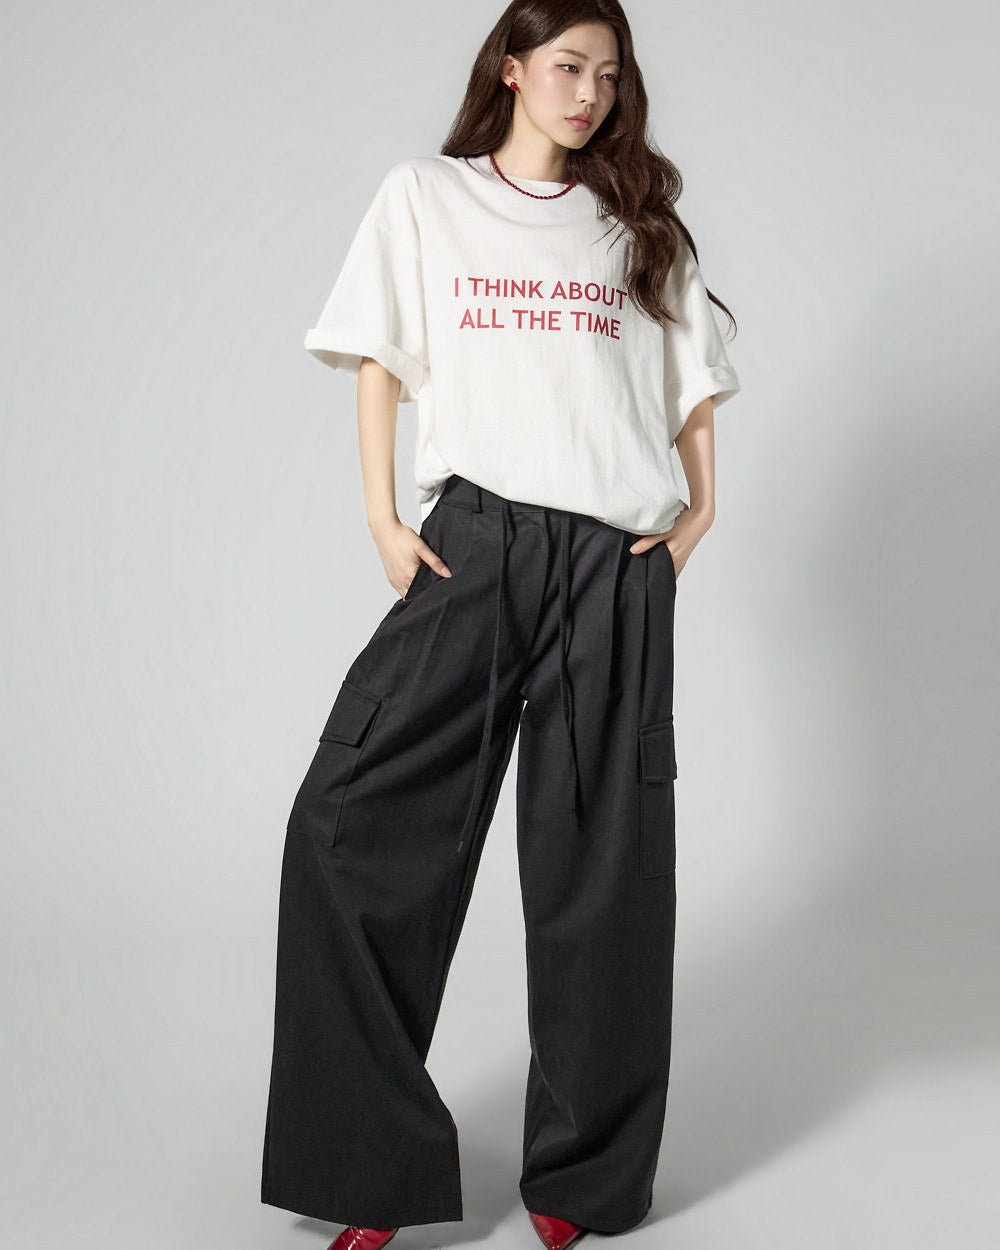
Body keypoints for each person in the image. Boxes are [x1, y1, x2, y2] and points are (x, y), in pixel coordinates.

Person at [260, 3, 741, 1248]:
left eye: (609, 74)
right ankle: (370, 1165)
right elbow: (377, 354)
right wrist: (382, 514)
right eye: (567, 66)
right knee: (347, 827)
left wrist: (700, 512)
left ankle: (582, 1176)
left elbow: (689, 380)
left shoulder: (636, 222)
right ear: (513, 70)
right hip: (473, 544)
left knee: (603, 871)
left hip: (611, 561)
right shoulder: (427, 196)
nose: (589, 92)